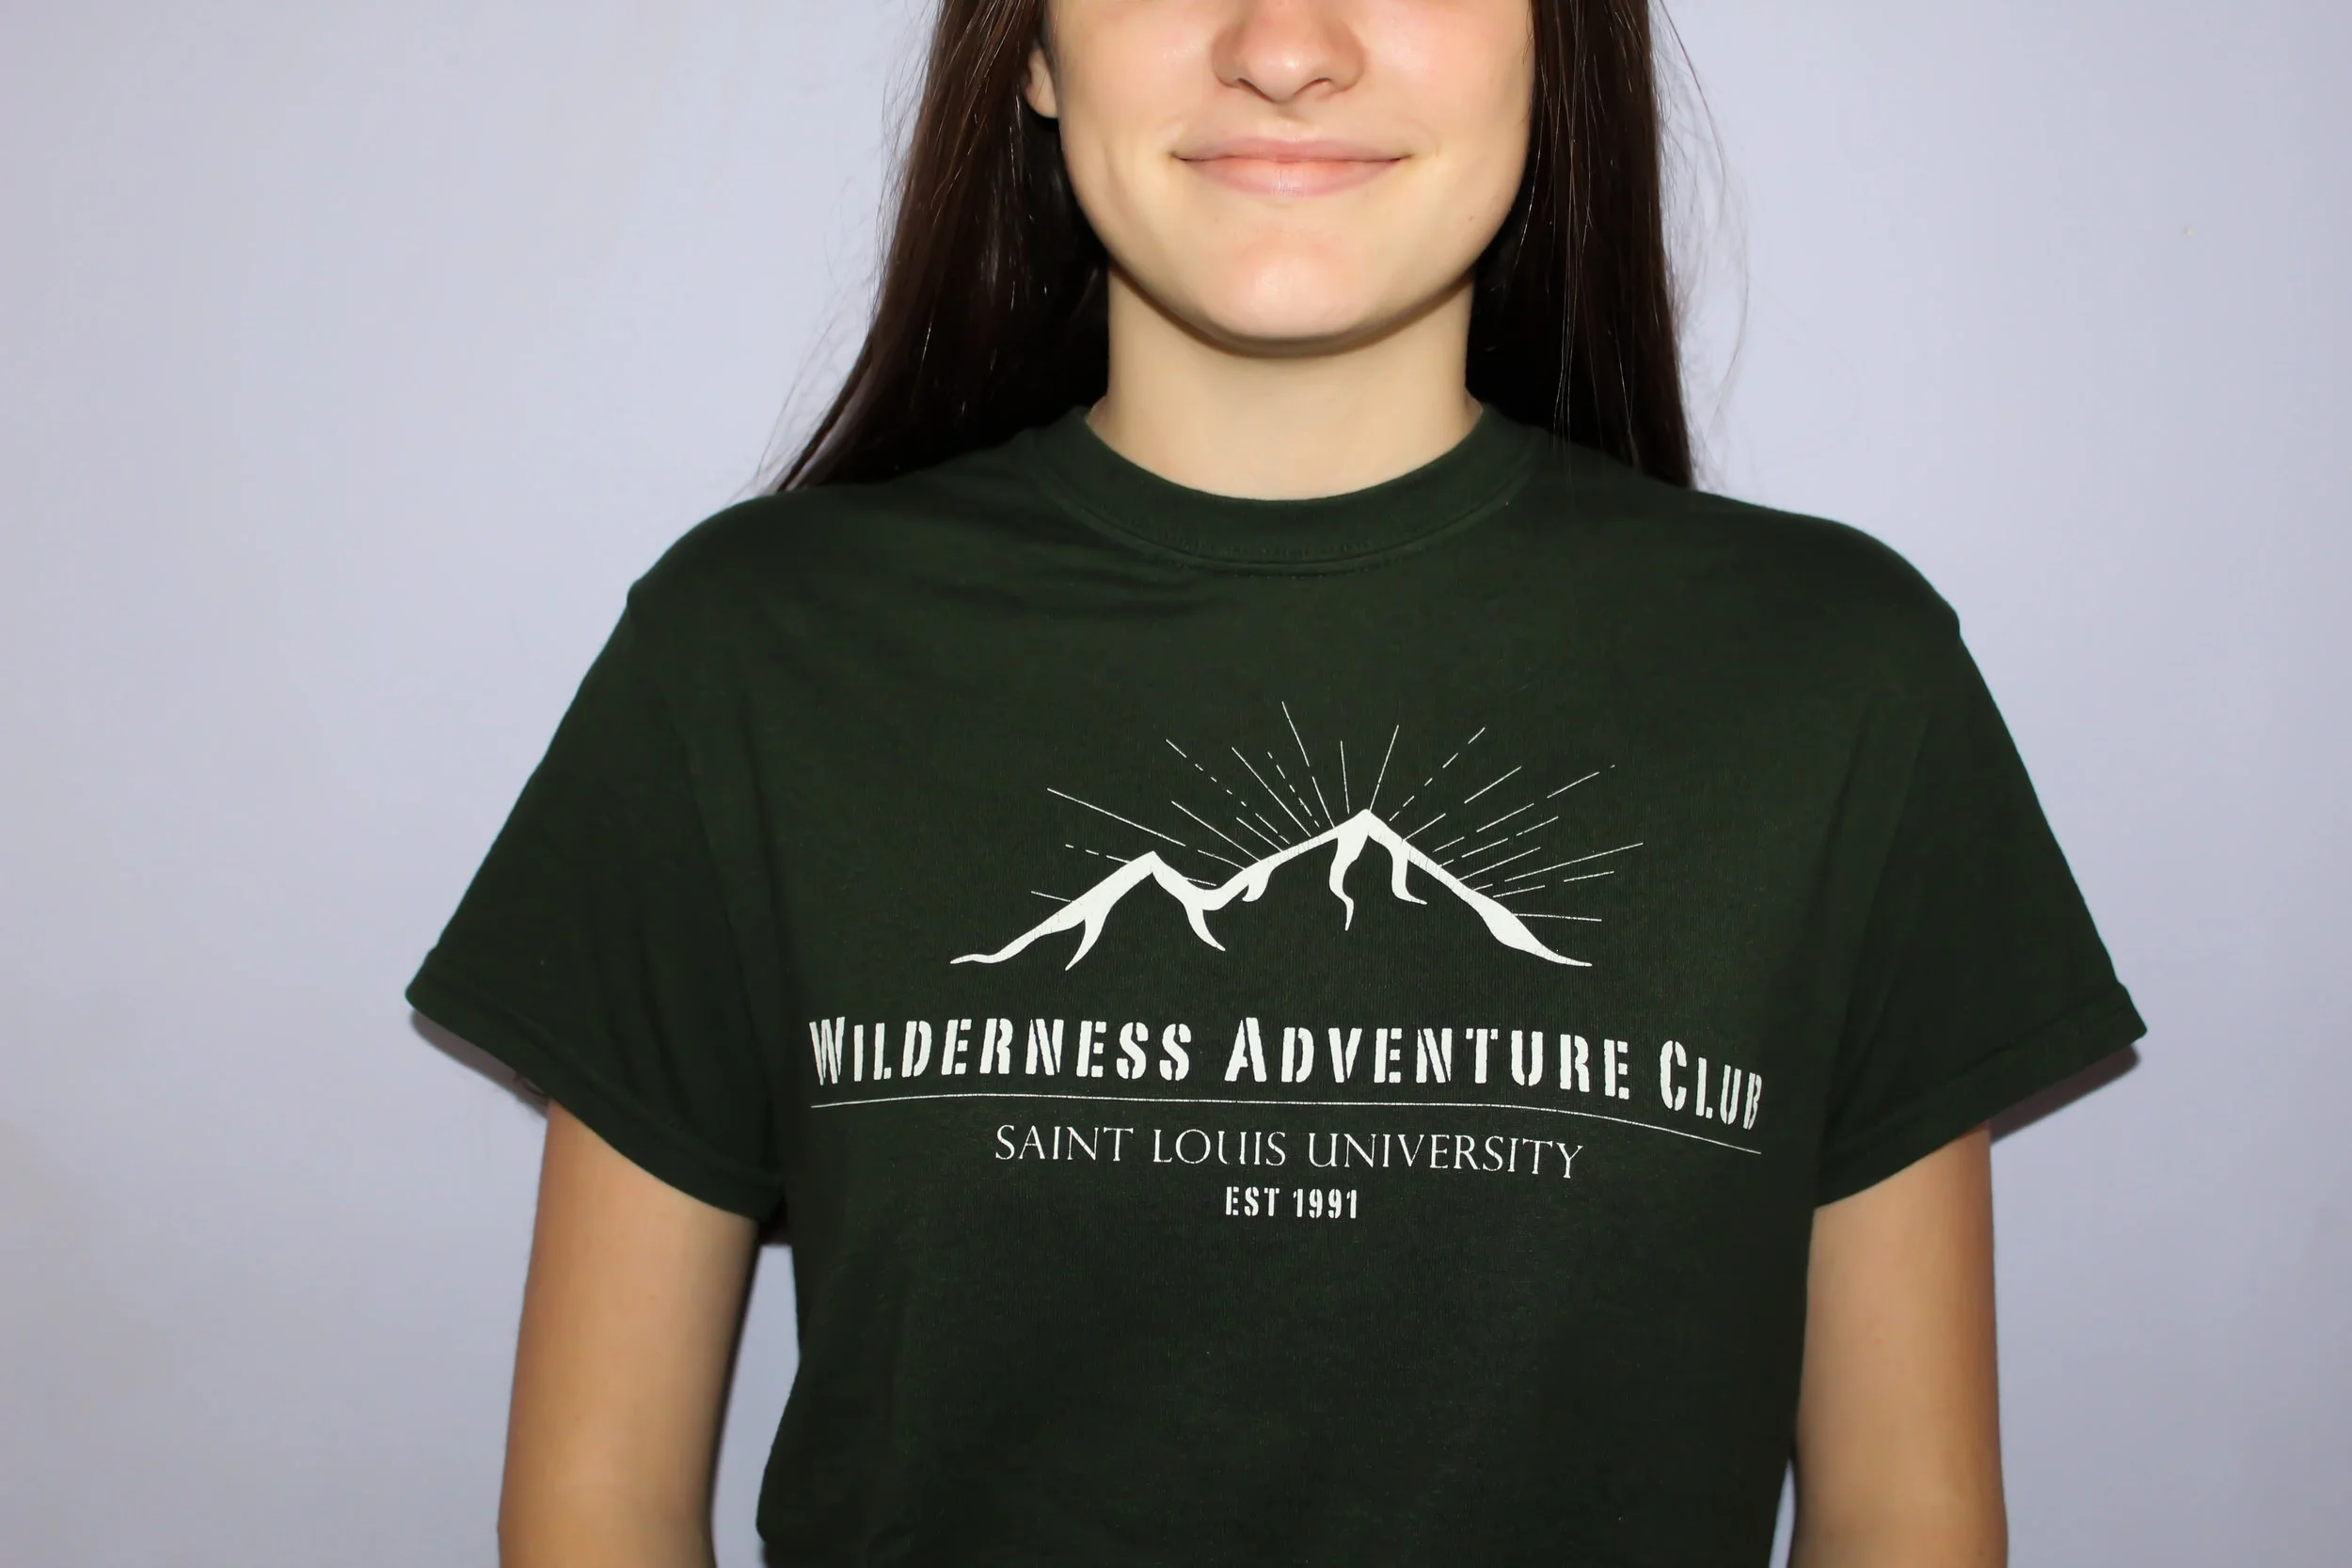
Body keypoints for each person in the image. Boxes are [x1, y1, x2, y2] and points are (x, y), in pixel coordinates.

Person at [407, 2, 2145, 1563]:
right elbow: (597, 1503)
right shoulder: (755, 655)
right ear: (1030, 44)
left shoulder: (1837, 678)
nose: (1288, 40)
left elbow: (1905, 1516)